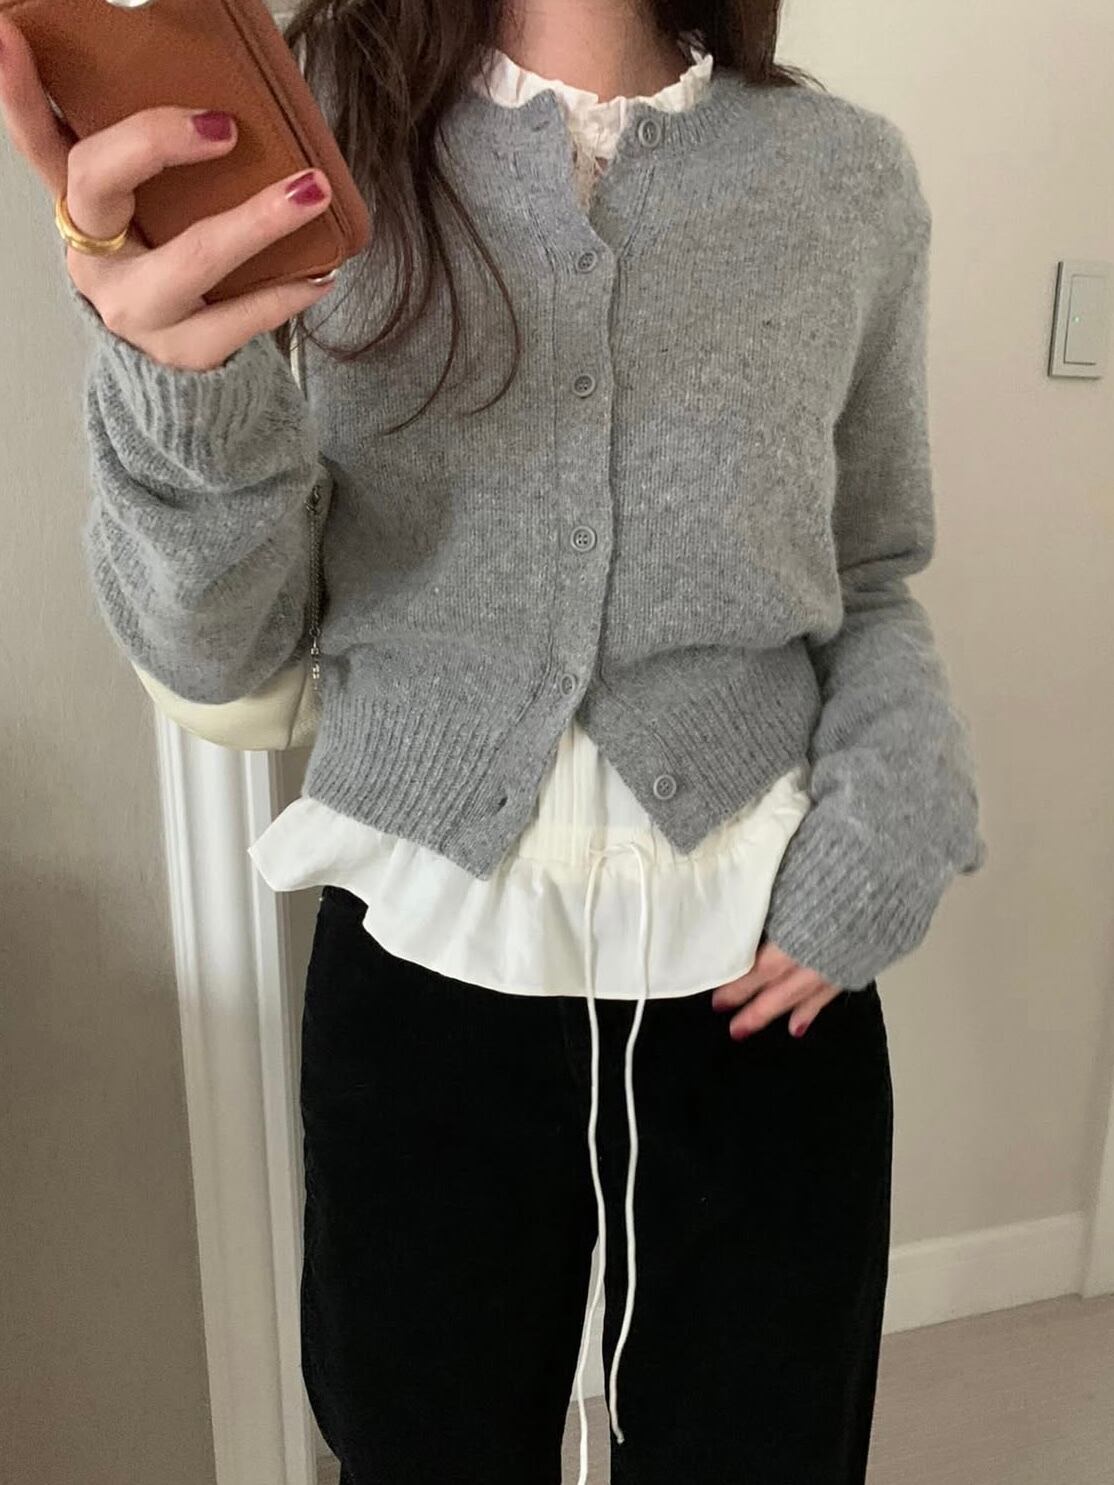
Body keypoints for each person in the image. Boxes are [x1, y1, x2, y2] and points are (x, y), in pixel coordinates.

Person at [0, 2, 986, 1480]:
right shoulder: (312, 113)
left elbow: (869, 571)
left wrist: (901, 805)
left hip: (768, 969)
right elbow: (222, 648)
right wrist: (179, 389)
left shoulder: (844, 175)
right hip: (426, 966)